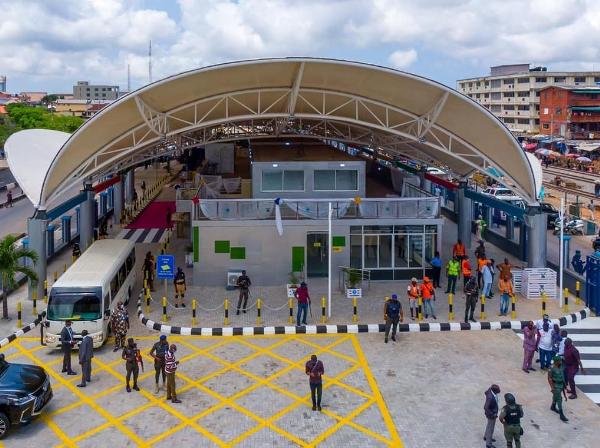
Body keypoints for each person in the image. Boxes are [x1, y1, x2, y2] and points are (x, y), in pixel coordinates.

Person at [548, 356, 569, 422]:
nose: (561, 362)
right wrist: (552, 387)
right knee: (559, 398)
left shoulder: (561, 366)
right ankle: (561, 414)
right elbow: (549, 378)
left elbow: (563, 374)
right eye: (559, 361)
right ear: (556, 361)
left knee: (555, 396)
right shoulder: (551, 368)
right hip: (556, 385)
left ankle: (553, 406)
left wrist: (565, 386)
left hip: (561, 384)